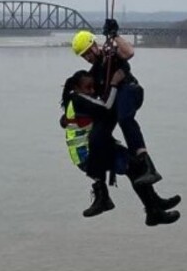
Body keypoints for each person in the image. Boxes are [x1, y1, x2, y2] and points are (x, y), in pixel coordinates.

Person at [60, 69, 180, 226]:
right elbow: (106, 108)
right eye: (88, 87)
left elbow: (72, 120)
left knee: (134, 168)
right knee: (135, 166)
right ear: (76, 87)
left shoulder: (72, 101)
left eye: (93, 87)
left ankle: (153, 207)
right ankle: (151, 209)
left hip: (88, 154)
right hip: (90, 155)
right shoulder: (78, 100)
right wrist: (114, 84)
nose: (92, 91)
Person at [71, 19, 161, 187]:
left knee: (125, 119)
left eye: (87, 53)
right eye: (83, 56)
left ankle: (149, 166)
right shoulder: (95, 72)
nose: (87, 58)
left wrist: (114, 35)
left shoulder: (110, 53)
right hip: (119, 100)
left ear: (94, 45)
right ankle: (109, 181)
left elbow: (129, 53)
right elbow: (93, 96)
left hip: (130, 90)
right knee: (102, 132)